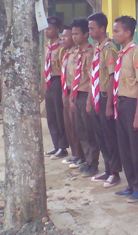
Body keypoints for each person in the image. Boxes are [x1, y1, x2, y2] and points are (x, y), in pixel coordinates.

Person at [111, 16, 138, 203]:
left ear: (127, 32)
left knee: (136, 148)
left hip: (133, 105)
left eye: (117, 31)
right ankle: (131, 183)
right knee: (124, 147)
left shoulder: (136, 54)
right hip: (121, 103)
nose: (114, 34)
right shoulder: (121, 54)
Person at [87, 12, 122, 188]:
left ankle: (115, 172)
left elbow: (112, 76)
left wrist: (108, 105)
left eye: (92, 28)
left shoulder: (109, 50)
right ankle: (107, 169)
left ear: (102, 28)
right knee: (100, 135)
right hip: (96, 95)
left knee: (109, 136)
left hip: (105, 96)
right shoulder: (97, 49)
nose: (90, 31)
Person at [66, 18, 99, 178]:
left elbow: (92, 78)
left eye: (77, 34)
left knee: (89, 130)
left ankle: (94, 163)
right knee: (81, 130)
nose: (74, 37)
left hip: (87, 95)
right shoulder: (75, 53)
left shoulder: (91, 53)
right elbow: (73, 78)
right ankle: (87, 160)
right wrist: (72, 97)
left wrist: (88, 101)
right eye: (72, 34)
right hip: (77, 94)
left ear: (86, 34)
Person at [43, 17, 69, 160]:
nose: (47, 31)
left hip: (58, 81)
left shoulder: (61, 47)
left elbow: (63, 68)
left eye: (50, 28)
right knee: (51, 115)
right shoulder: (48, 47)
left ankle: (63, 146)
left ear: (57, 30)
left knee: (60, 115)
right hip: (49, 82)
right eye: (46, 28)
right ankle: (56, 145)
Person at [59, 24, 85, 168]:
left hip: (75, 92)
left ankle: (81, 155)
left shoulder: (78, 54)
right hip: (67, 91)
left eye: (67, 36)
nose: (64, 39)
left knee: (77, 126)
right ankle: (75, 154)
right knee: (69, 125)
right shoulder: (68, 54)